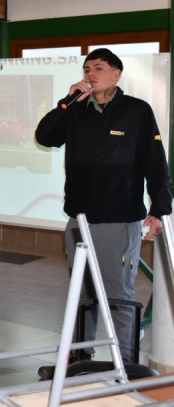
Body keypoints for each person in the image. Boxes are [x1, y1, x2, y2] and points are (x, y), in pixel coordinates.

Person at [35, 48, 172, 372]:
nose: (90, 73)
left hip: (118, 220)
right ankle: (80, 359)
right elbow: (45, 136)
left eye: (98, 67)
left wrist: (160, 208)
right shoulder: (75, 110)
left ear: (116, 73)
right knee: (82, 297)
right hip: (78, 218)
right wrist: (66, 104)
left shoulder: (137, 111)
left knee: (117, 297)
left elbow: (155, 164)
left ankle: (124, 365)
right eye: (87, 68)